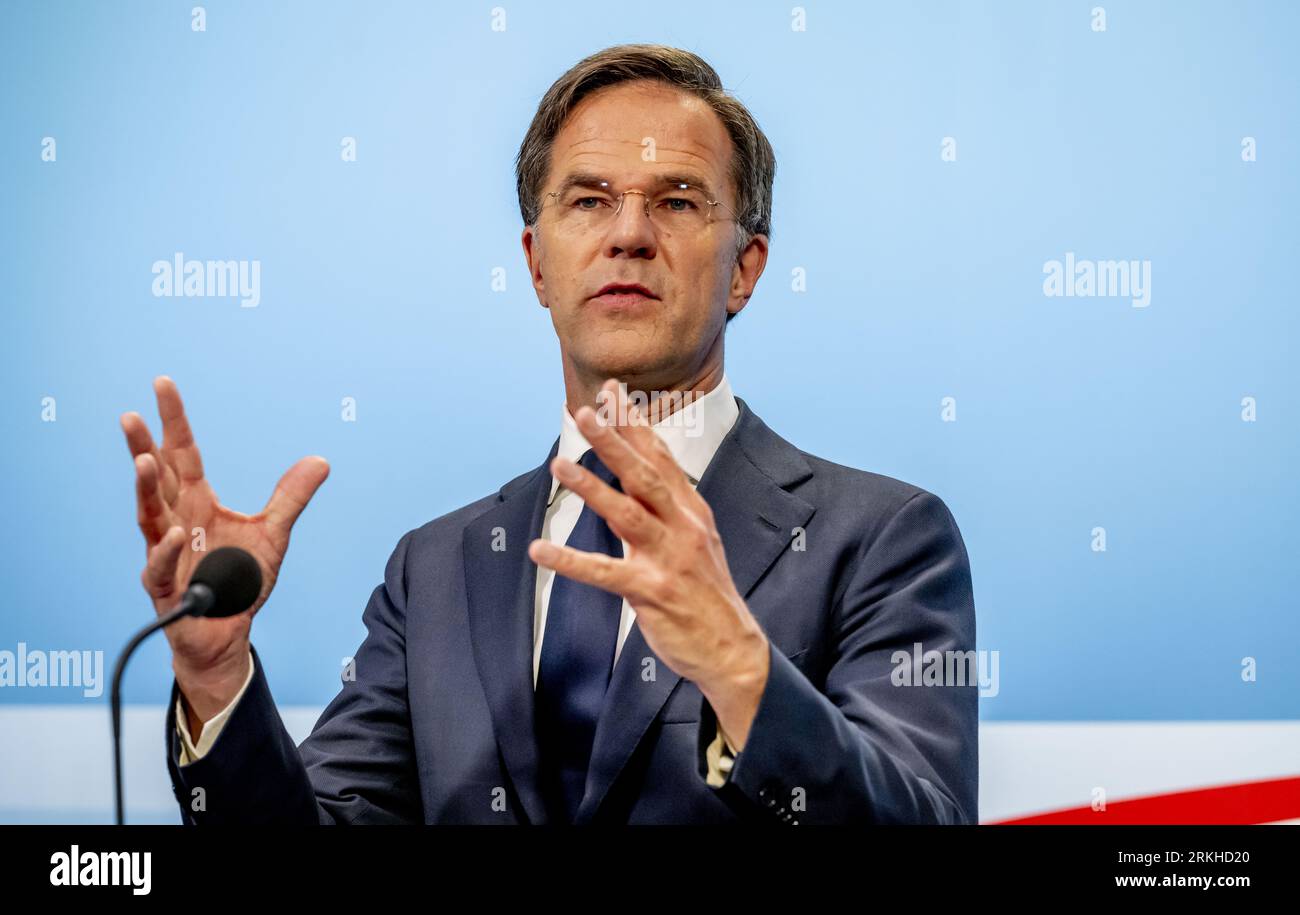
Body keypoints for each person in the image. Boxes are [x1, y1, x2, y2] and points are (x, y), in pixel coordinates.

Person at [121, 44, 977, 824]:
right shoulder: (437, 568)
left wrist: (738, 665)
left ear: (744, 269)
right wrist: (215, 676)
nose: (630, 234)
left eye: (676, 201)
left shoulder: (880, 538)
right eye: (589, 200)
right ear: (537, 262)